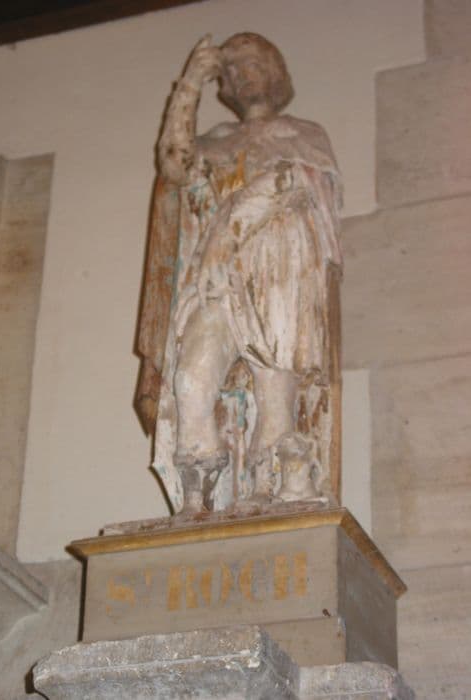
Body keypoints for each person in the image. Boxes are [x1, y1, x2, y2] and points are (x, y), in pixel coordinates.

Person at [136, 33, 342, 514]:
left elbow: (299, 183)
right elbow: (174, 164)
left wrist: (230, 224)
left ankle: (267, 492)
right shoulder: (215, 141)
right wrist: (189, 84)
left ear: (276, 72)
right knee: (191, 379)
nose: (244, 75)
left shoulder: (303, 134)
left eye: (254, 64)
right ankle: (198, 501)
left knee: (274, 390)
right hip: (214, 278)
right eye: (232, 70)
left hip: (277, 270)